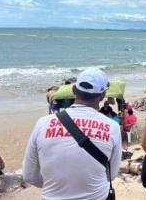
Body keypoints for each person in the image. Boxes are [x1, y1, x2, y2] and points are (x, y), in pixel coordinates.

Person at [22, 68, 122, 200]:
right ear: (103, 95)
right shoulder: (112, 127)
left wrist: (57, 188)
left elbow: (29, 176)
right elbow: (111, 175)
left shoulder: (42, 124)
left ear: (74, 90)